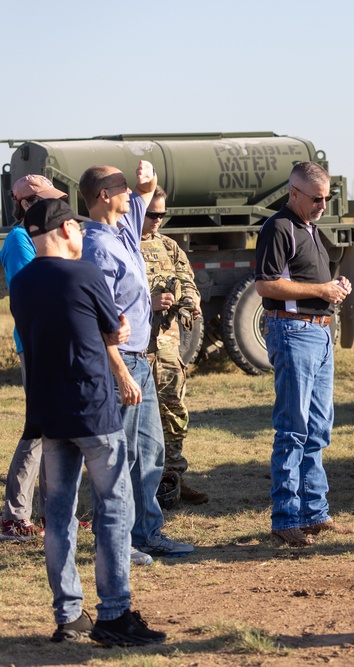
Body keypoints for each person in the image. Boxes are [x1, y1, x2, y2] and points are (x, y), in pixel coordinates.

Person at [11, 198, 166, 647]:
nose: (82, 235)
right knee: (114, 508)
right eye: (76, 229)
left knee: (58, 516)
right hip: (93, 409)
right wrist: (111, 330)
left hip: (48, 413)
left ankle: (69, 615)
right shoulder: (84, 274)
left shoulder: (20, 284)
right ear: (63, 231)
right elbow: (115, 328)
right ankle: (115, 616)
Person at [80, 162, 194, 562]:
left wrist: (148, 182)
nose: (129, 192)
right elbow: (96, 322)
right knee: (118, 458)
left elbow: (144, 196)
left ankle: (147, 533)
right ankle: (116, 542)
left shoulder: (121, 232)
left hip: (140, 360)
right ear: (102, 196)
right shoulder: (94, 247)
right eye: (121, 187)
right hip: (119, 365)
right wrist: (121, 372)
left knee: (149, 450)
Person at [255, 161, 352, 547]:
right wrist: (322, 292)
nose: (322, 206)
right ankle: (285, 518)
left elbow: (311, 282)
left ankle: (314, 513)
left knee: (317, 427)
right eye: (316, 198)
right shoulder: (279, 227)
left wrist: (333, 287)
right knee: (294, 428)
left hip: (318, 334)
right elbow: (266, 284)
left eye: (326, 198)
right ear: (293, 192)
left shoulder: (308, 227)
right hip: (294, 333)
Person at [0, 176, 67, 540]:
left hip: (56, 341)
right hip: (37, 343)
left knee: (56, 429)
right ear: (26, 204)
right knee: (40, 428)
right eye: (45, 201)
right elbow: (35, 291)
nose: (54, 207)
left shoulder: (45, 235)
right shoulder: (19, 239)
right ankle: (14, 516)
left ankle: (52, 514)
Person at [140, 186, 208, 505]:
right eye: (152, 214)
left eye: (162, 214)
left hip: (167, 348)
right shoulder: (122, 246)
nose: (158, 220)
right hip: (135, 349)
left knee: (173, 409)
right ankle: (142, 484)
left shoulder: (168, 246)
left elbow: (188, 281)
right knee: (138, 417)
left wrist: (191, 302)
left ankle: (173, 478)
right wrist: (148, 302)